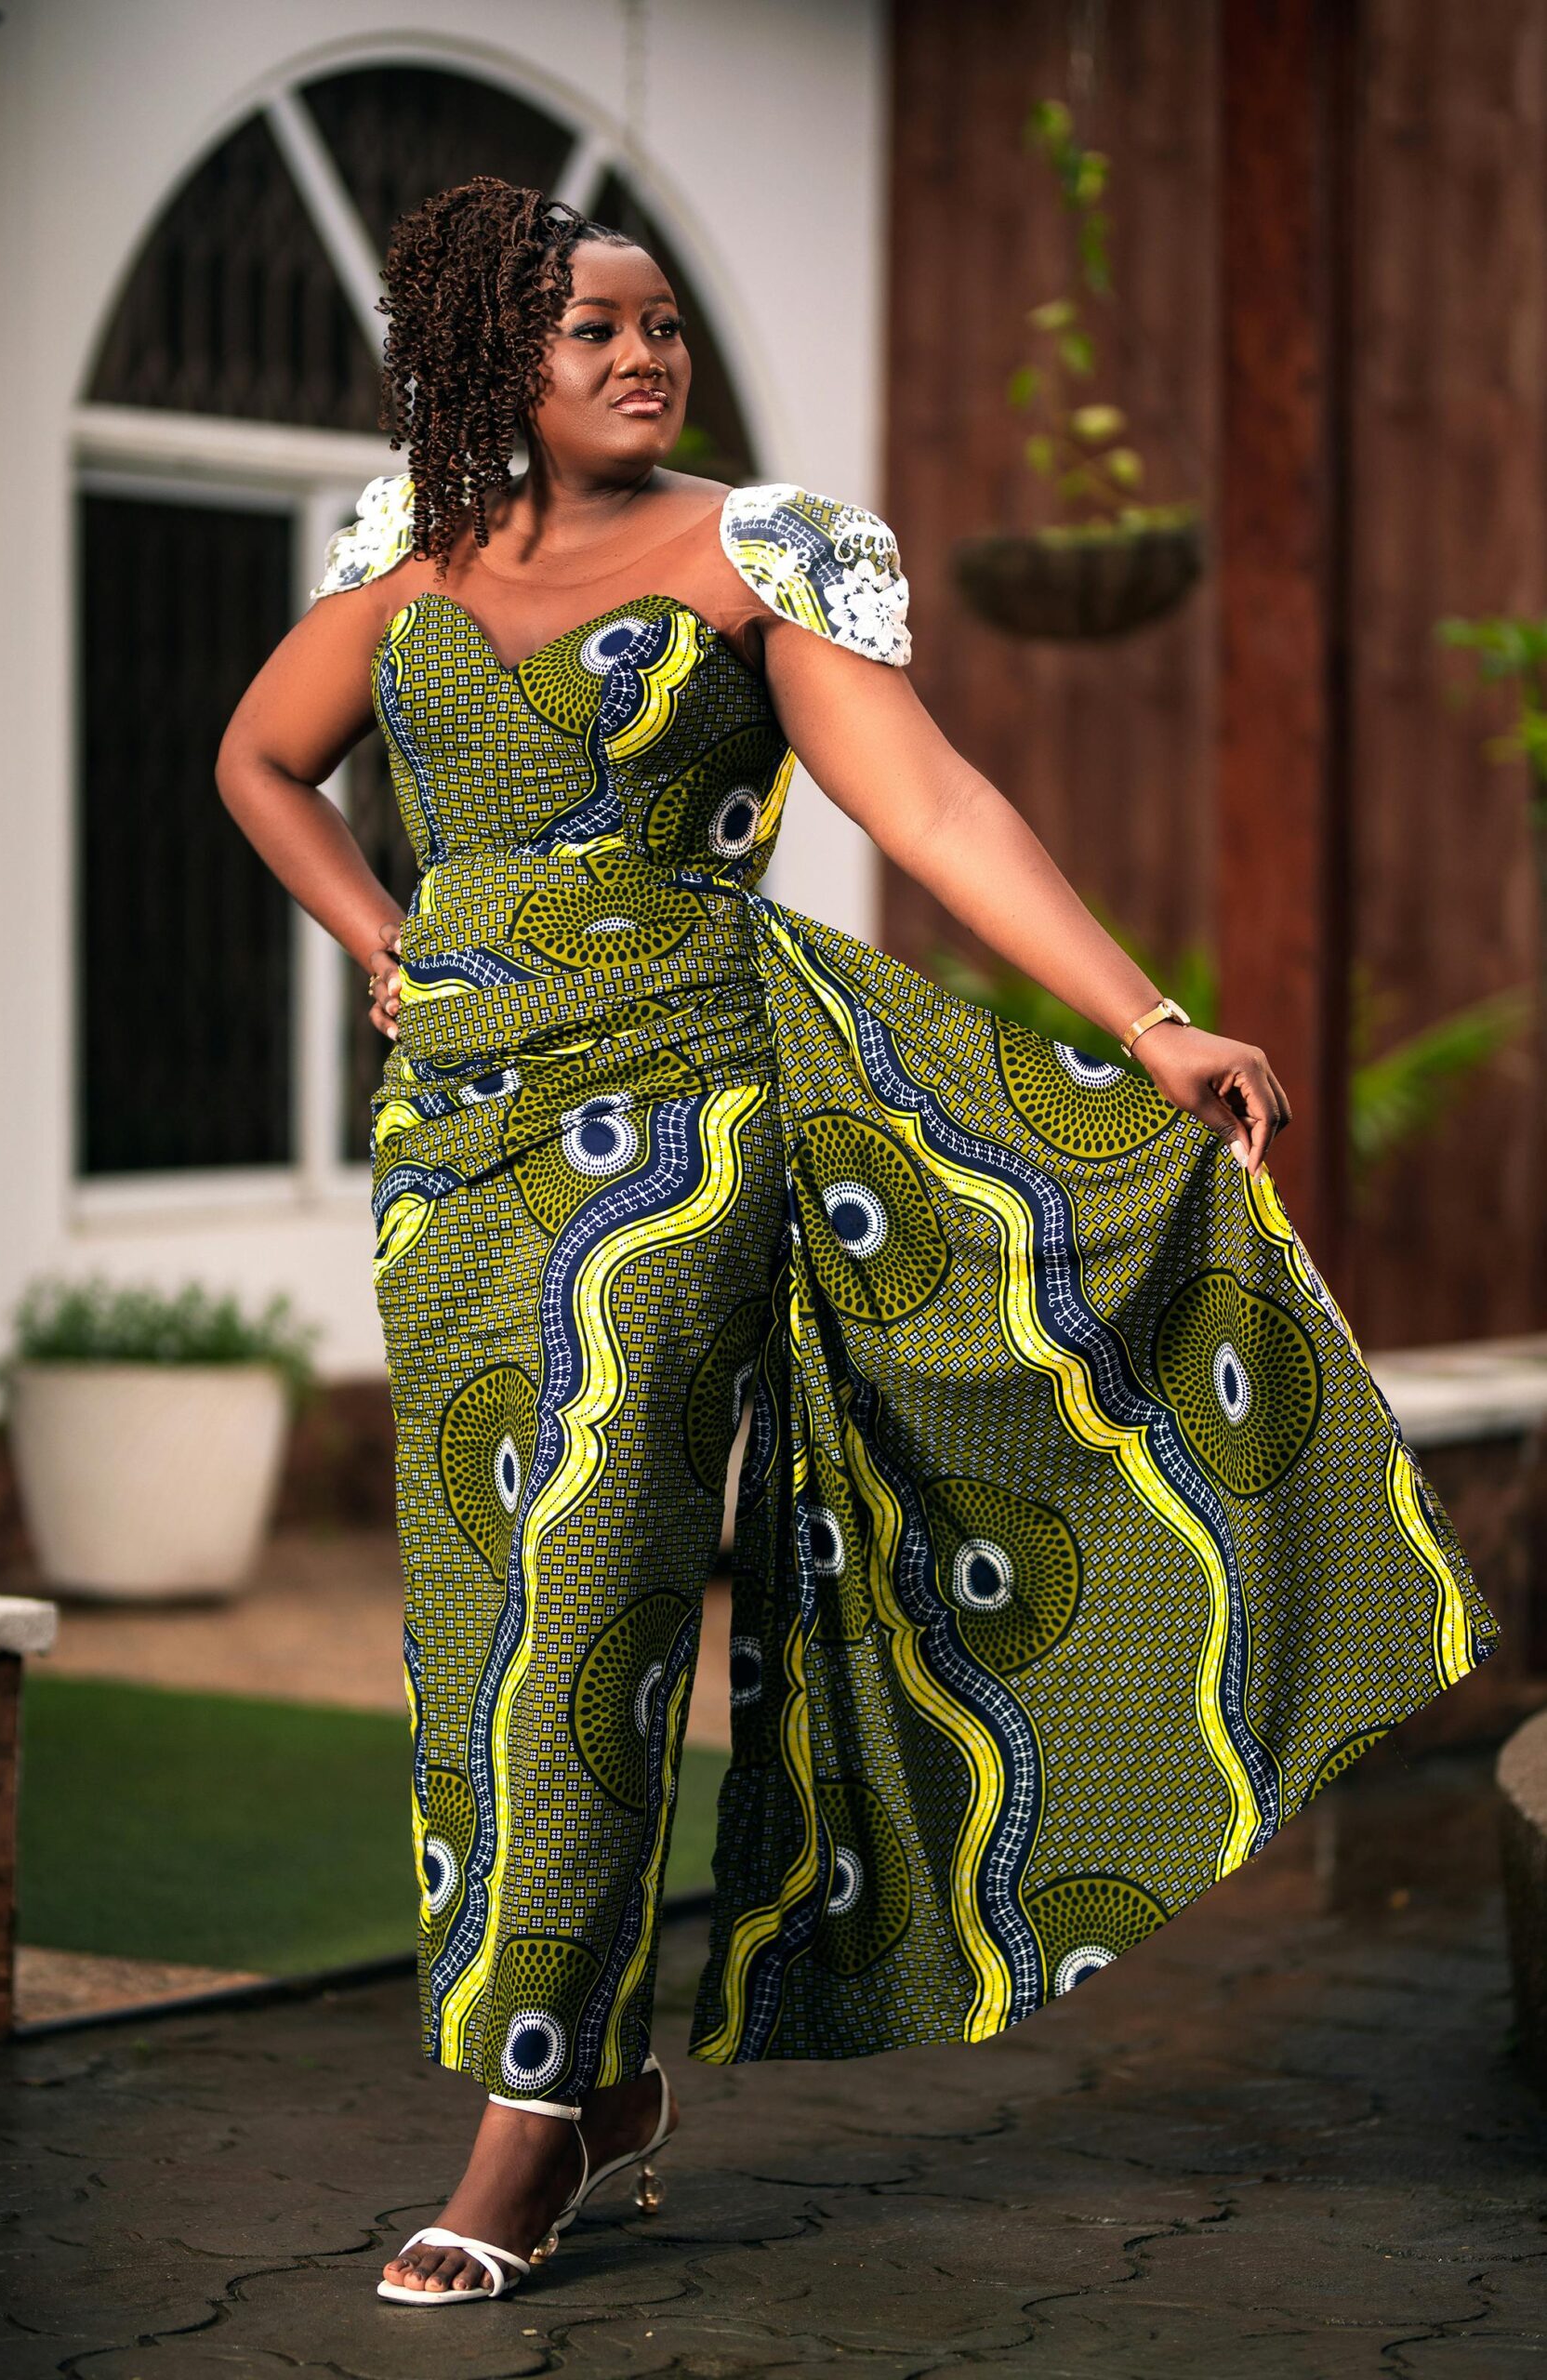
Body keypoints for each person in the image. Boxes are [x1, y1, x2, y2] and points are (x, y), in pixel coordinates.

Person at [216, 177, 1496, 2311]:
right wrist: (379, 939)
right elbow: (260, 759)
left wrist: (1148, 1020)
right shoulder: (402, 552)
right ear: (492, 357)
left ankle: (524, 2114)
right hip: (456, 1146)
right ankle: (597, 2073)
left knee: (605, 1566)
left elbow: (933, 801)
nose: (647, 355)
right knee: (485, 1600)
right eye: (596, 328)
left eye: (663, 323)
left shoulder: (763, 547)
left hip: (686, 1124)